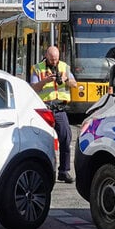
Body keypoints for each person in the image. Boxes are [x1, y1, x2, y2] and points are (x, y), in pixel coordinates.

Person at [30, 45, 77, 183]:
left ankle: (64, 171)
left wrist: (66, 79)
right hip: (44, 109)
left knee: (65, 139)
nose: (54, 62)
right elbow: (33, 88)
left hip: (60, 110)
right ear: (47, 56)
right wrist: (46, 81)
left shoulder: (64, 67)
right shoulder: (37, 68)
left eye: (56, 59)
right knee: (40, 140)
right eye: (52, 59)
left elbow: (75, 84)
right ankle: (40, 171)